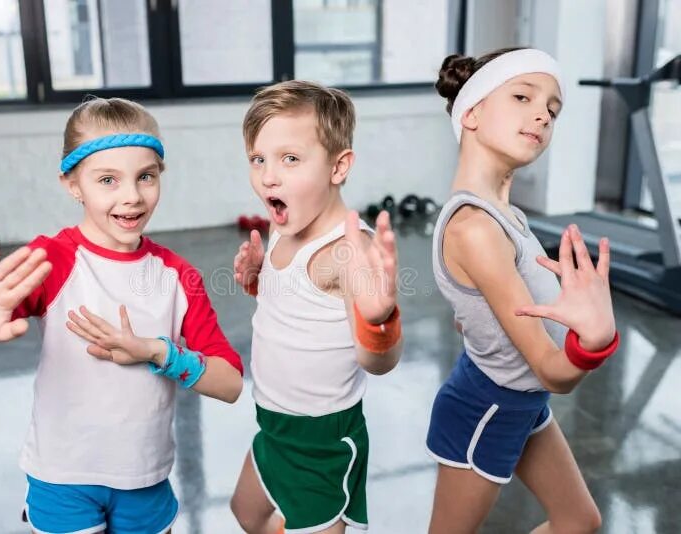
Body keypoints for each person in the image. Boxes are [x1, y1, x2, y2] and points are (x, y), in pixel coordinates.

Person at [0, 97, 243, 534]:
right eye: (108, 180)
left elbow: (229, 382)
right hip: (63, 477)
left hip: (146, 478)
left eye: (146, 177)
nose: (132, 196)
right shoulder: (52, 259)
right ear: (73, 184)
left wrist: (159, 353)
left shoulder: (178, 276)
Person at [425, 48, 619, 533]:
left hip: (520, 402)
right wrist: (591, 342)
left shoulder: (508, 217)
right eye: (522, 96)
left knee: (578, 521)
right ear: (471, 113)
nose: (542, 114)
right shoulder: (474, 228)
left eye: (552, 110)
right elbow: (555, 373)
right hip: (486, 407)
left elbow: (473, 314)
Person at [229, 80, 404, 534]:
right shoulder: (282, 227)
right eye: (258, 159)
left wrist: (378, 319)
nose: (269, 176)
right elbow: (299, 306)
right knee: (247, 513)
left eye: (290, 159)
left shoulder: (347, 254)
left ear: (338, 166)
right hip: (273, 426)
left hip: (321, 441)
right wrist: (258, 279)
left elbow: (378, 362)